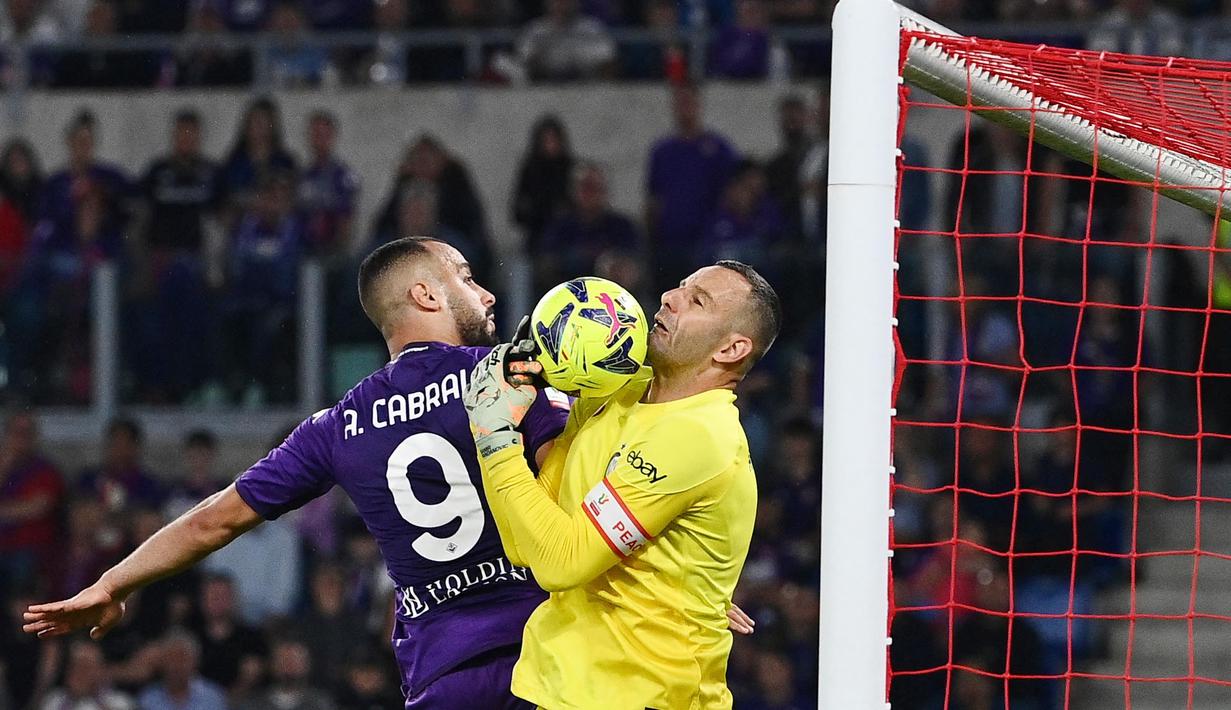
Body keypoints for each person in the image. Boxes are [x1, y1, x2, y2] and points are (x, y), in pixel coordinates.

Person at [22, 237, 570, 709]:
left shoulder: (338, 424)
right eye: (467, 277)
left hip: (444, 674)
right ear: (426, 294)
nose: (488, 293)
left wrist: (112, 583)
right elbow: (578, 476)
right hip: (550, 651)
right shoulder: (507, 374)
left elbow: (214, 521)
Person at [461, 259, 779, 708]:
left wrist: (495, 439)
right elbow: (527, 544)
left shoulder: (698, 436)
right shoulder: (618, 390)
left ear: (731, 349)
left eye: (697, 300)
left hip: (645, 696)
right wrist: (502, 427)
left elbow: (559, 563)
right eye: (681, 285)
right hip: (558, 687)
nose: (670, 297)